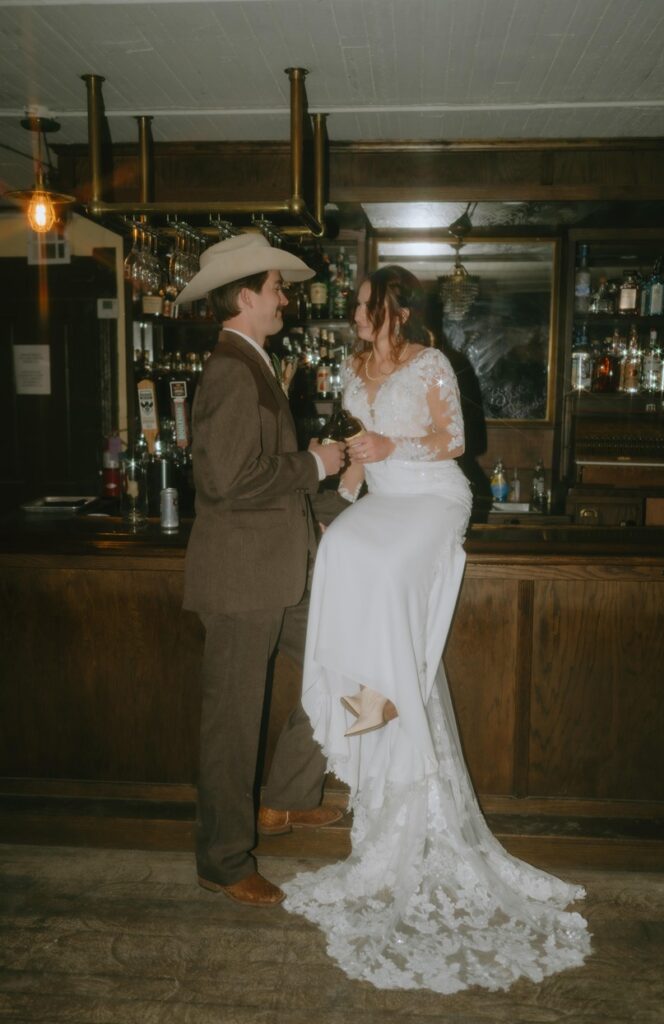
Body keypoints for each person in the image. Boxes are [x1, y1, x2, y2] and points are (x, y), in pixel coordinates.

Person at [283, 265, 591, 992]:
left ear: (396, 310)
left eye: (364, 308)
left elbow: (454, 443)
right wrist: (353, 472)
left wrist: (393, 451)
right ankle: (368, 726)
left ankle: (391, 725)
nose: (355, 318)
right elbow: (360, 444)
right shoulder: (353, 364)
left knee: (384, 578)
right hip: (382, 497)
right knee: (340, 551)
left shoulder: (431, 364)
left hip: (432, 500)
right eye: (357, 308)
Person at [177, 233, 346, 908]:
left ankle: (285, 798)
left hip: (279, 573)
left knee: (351, 664)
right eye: (277, 288)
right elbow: (224, 482)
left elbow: (259, 476)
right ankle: (221, 860)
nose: (286, 298)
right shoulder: (229, 369)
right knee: (231, 725)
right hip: (242, 582)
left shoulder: (253, 364)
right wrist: (313, 466)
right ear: (246, 296)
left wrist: (331, 484)